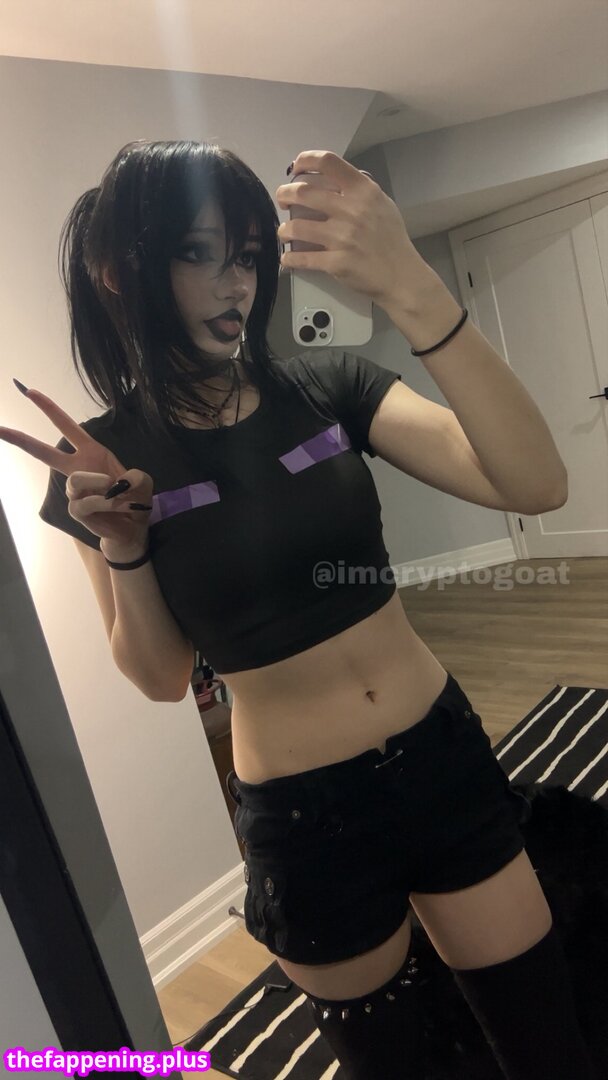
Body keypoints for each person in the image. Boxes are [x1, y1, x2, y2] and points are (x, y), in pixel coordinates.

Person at [1, 139, 596, 1079]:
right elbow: (160, 678)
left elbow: (537, 484)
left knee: (548, 1045)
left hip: (441, 760)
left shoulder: (329, 385)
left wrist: (412, 288)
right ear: (120, 271)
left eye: (247, 254)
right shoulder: (98, 466)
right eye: (200, 253)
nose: (236, 281)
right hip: (305, 821)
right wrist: (123, 543)